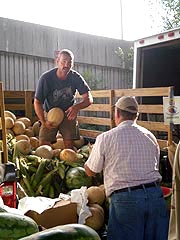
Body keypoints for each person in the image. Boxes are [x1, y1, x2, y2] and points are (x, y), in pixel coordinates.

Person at [84, 96, 169, 240]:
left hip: (127, 200)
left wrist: (87, 163)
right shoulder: (150, 136)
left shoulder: (106, 138)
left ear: (116, 113)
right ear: (136, 115)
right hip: (155, 196)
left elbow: (91, 171)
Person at [34, 49, 93, 149]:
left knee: (69, 146)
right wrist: (43, 121)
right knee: (43, 145)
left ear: (73, 64)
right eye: (63, 61)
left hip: (68, 113)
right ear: (57, 61)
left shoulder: (76, 77)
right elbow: (37, 102)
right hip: (50, 113)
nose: (66, 65)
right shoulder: (46, 78)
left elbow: (89, 99)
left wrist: (76, 107)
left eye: (70, 62)